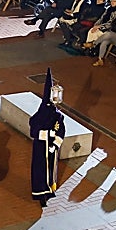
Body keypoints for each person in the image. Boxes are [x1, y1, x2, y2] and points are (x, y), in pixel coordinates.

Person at [30, 70, 66, 207]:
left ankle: (50, 189)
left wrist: (56, 143)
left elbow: (61, 129)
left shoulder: (58, 115)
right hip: (40, 147)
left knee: (51, 169)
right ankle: (40, 193)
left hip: (51, 148)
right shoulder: (41, 113)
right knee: (40, 169)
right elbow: (33, 126)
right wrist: (45, 134)